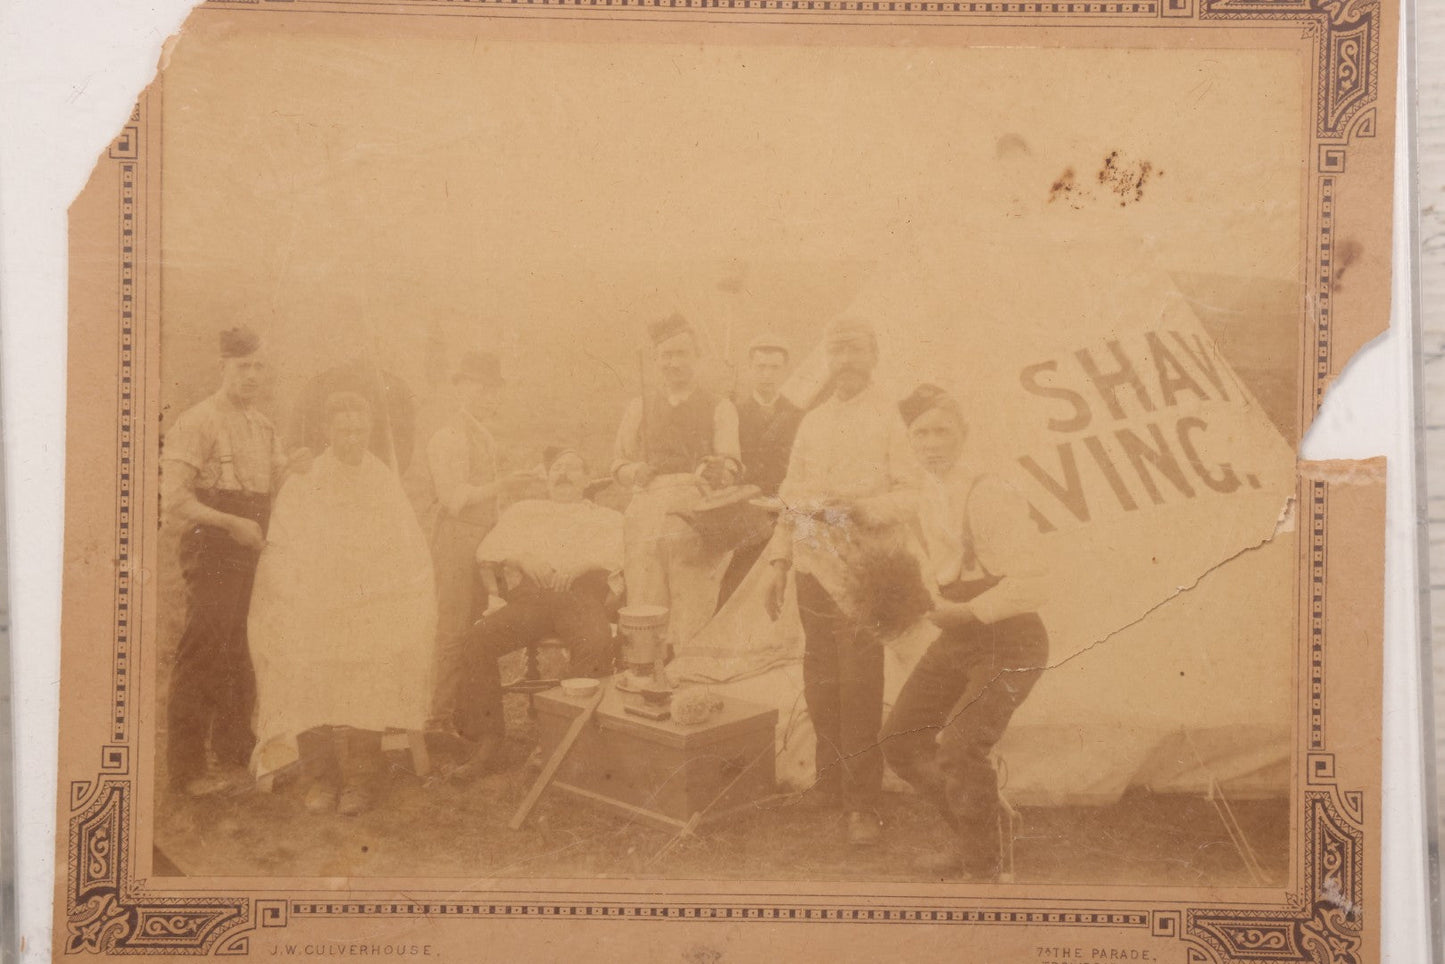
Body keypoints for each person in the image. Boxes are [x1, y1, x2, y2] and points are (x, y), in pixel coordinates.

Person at [762, 316, 922, 847]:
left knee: (858, 686)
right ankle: (829, 785)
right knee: (821, 680)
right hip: (813, 568)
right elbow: (791, 492)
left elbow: (911, 494)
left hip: (863, 572)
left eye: (854, 351)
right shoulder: (813, 422)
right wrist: (779, 562)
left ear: (873, 355)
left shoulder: (891, 420)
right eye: (836, 353)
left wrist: (860, 510)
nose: (844, 362)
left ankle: (863, 803)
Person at [879, 384, 1050, 881]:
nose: (932, 443)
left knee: (959, 745)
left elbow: (1036, 582)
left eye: (942, 432)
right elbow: (940, 567)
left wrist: (971, 612)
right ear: (909, 441)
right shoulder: (927, 492)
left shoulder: (990, 493)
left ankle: (984, 868)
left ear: (963, 436)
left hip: (1011, 641)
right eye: (921, 433)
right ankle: (989, 826)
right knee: (901, 741)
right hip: (960, 639)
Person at [247, 392, 436, 815]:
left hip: (368, 601)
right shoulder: (307, 478)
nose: (353, 439)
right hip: (313, 600)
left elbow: (404, 546)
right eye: (344, 430)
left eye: (360, 430)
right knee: (306, 666)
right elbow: (284, 545)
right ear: (327, 432)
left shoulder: (381, 478)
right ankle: (321, 776)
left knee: (368, 671)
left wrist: (375, 583)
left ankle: (361, 780)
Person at [161, 325, 312, 796]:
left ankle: (232, 747)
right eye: (243, 367)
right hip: (213, 545)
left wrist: (293, 468)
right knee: (203, 650)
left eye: (259, 367)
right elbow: (172, 500)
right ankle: (185, 771)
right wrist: (230, 523)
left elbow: (268, 487)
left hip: (252, 543)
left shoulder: (263, 425)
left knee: (244, 647)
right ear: (223, 367)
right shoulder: (197, 421)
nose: (252, 376)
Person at [451, 448, 624, 769]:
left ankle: (562, 737)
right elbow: (490, 551)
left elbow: (621, 558)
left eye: (573, 468)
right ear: (546, 479)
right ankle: (488, 740)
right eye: (557, 468)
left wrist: (584, 565)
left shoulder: (605, 518)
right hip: (532, 600)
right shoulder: (525, 511)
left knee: (598, 644)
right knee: (478, 640)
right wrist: (521, 558)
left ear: (587, 480)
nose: (563, 474)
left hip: (579, 598)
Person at [612, 314, 742, 653]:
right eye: (666, 356)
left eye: (682, 354)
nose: (673, 363)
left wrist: (721, 470)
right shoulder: (638, 407)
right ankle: (643, 680)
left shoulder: (720, 407)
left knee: (692, 605)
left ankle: (686, 684)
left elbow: (732, 462)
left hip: (694, 511)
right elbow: (618, 463)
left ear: (696, 357)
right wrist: (633, 471)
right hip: (646, 514)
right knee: (645, 604)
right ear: (656, 361)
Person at [425, 351, 533, 745]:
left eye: (494, 390)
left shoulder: (482, 435)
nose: (489, 397)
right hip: (456, 538)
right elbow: (453, 497)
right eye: (481, 388)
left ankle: (464, 717)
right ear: (460, 388)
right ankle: (436, 719)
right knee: (452, 628)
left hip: (483, 537)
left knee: (476, 628)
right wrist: (504, 485)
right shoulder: (448, 437)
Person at [715, 335, 803, 609]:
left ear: (785, 370)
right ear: (750, 369)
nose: (767, 375)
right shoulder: (733, 413)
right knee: (736, 587)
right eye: (761, 367)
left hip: (783, 510)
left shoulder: (798, 415)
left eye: (774, 368)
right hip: (746, 514)